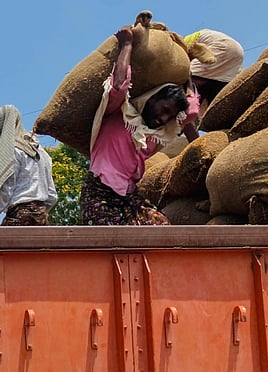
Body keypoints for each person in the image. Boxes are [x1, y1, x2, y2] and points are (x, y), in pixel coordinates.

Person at [80, 25, 195, 226]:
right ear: (152, 99)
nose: (164, 118)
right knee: (113, 236)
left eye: (170, 116)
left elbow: (191, 112)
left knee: (161, 227)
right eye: (164, 109)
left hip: (130, 196)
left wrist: (187, 75)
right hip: (100, 192)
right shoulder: (120, 113)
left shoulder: (157, 134)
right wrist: (127, 45)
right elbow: (118, 85)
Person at [0, 105, 57, 226]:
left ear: (5, 126)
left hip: (19, 218)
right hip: (41, 220)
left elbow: (4, 195)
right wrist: (37, 213)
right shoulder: (41, 153)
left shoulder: (13, 151)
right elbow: (52, 195)